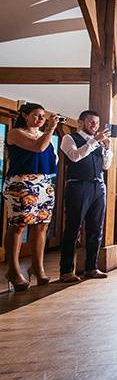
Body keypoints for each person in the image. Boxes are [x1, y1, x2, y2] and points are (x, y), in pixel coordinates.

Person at [3, 103, 58, 291]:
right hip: (22, 183)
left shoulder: (45, 137)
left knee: (42, 225)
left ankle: (37, 266)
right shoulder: (16, 133)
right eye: (36, 115)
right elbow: (38, 148)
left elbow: (50, 158)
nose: (41, 119)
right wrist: (50, 129)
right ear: (25, 116)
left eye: (43, 116)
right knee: (19, 225)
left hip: (43, 183)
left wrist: (48, 133)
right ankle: (13, 270)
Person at [59, 110, 112, 282]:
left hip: (98, 186)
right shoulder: (70, 138)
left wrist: (107, 149)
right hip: (78, 185)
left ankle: (91, 267)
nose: (94, 126)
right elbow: (74, 157)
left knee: (95, 229)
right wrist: (93, 141)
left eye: (96, 123)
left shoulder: (98, 142)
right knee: (73, 228)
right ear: (80, 122)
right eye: (90, 122)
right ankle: (66, 270)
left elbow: (106, 166)